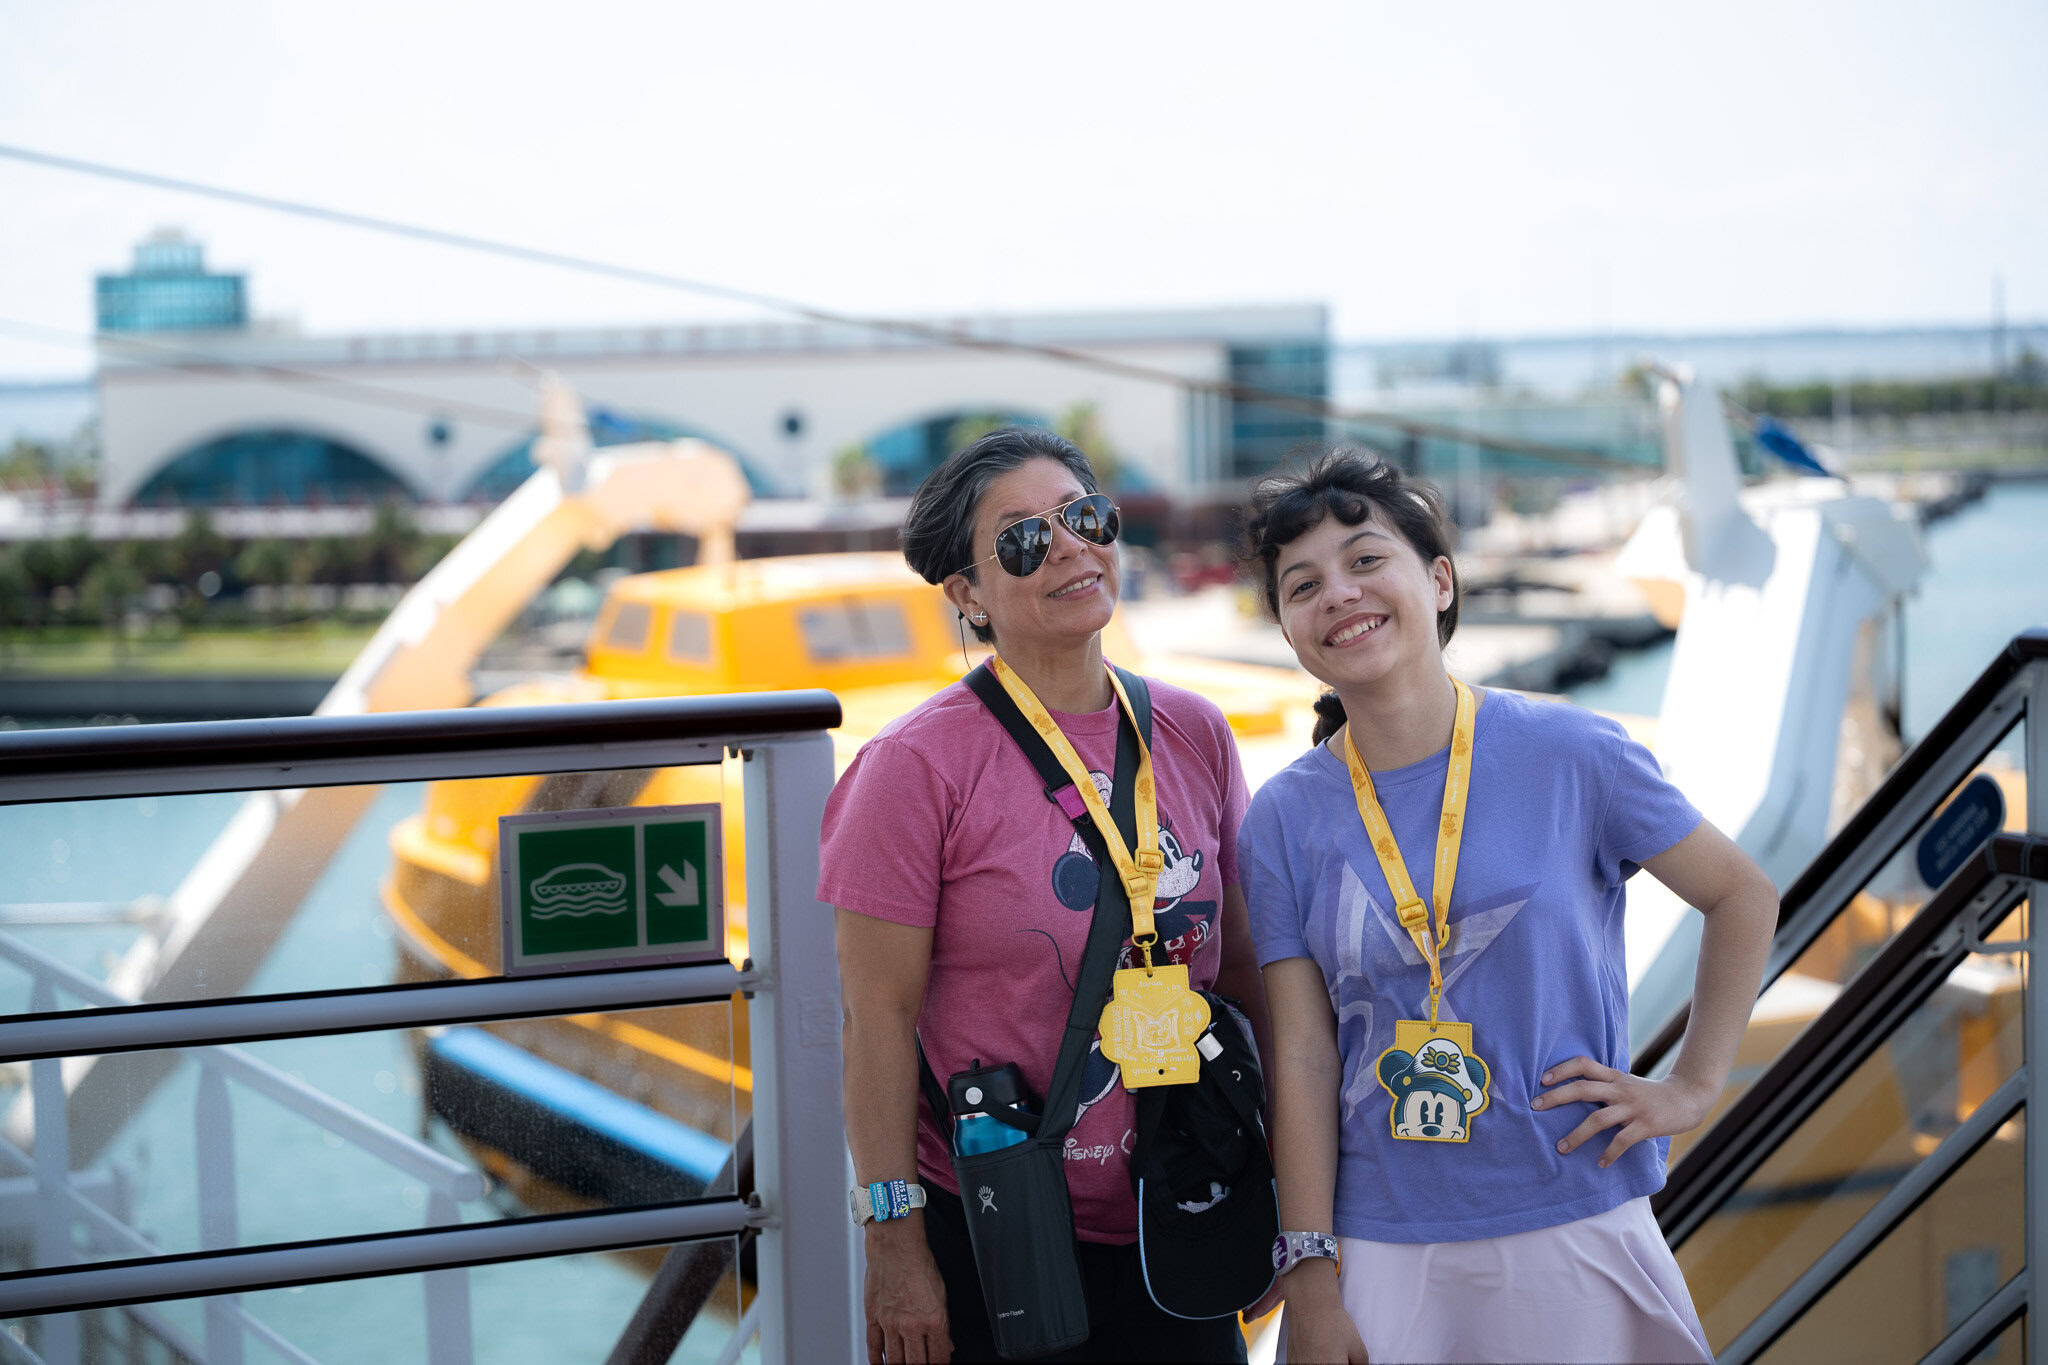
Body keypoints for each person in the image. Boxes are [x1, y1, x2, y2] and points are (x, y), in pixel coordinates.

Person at [1235, 449, 1776, 1364]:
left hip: (1573, 1209)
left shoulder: (1574, 753)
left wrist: (1692, 1084)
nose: (1338, 592)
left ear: (1438, 580)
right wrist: (1313, 1275)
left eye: (1367, 560)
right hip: (1383, 1238)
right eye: (1303, 584)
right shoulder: (1284, 814)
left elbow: (1741, 893)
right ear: (1290, 628)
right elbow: (1300, 1052)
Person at [822, 426, 1272, 1364]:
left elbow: (1247, 972)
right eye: (1024, 538)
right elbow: (875, 1020)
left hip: (1180, 1199)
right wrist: (895, 1245)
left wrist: (1283, 1193)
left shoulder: (1193, 732)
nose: (1069, 546)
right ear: (967, 595)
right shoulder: (913, 768)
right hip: (998, 1226)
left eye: (1083, 516)